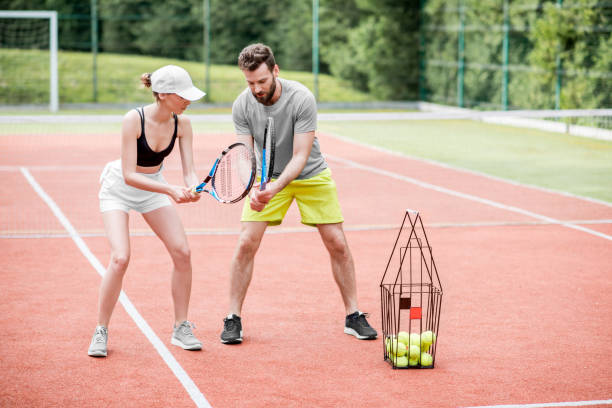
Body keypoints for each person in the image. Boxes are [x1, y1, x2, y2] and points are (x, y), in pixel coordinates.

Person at [220, 43, 377, 344]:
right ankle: (232, 318)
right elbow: (244, 154)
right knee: (245, 243)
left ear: (275, 71)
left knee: (337, 243)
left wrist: (274, 187)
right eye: (250, 82)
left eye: (262, 81)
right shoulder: (242, 104)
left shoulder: (302, 98)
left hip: (310, 175)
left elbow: (301, 155)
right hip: (267, 178)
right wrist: (254, 186)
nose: (256, 89)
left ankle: (353, 314)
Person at [88, 65, 205, 357]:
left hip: (153, 187)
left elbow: (189, 172)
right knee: (120, 258)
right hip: (119, 188)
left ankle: (181, 327)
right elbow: (128, 174)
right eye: (182, 95)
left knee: (183, 252)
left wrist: (193, 188)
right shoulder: (134, 119)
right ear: (163, 94)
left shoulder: (183, 124)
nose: (188, 100)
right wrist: (170, 190)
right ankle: (101, 329)